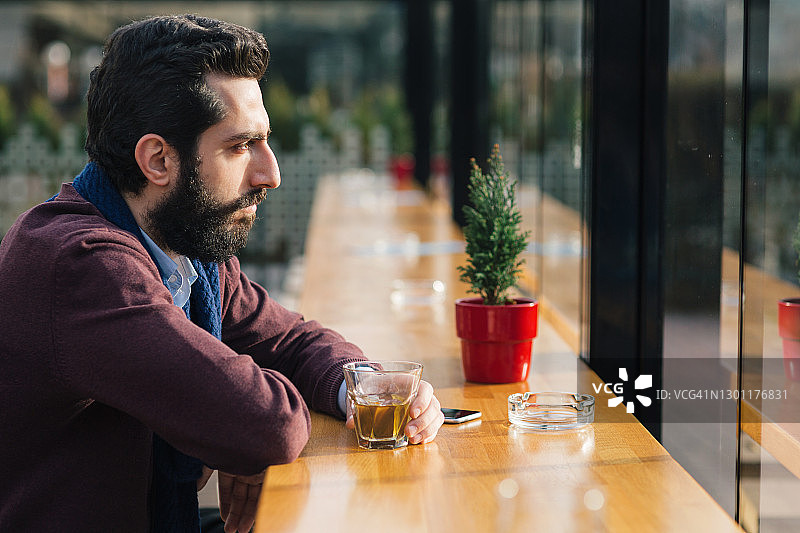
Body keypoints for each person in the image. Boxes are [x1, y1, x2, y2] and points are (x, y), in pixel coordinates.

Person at [0, 14, 444, 533]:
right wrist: (234, 425)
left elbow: (292, 342)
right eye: (240, 146)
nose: (271, 173)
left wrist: (372, 389)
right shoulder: (80, 265)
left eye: (265, 142)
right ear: (158, 160)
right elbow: (269, 425)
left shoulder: (185, 249)